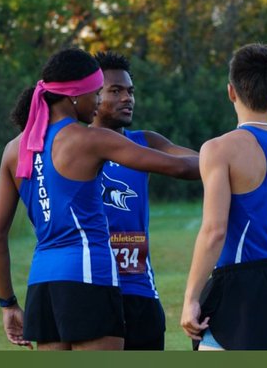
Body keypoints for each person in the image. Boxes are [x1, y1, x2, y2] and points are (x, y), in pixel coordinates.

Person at [0, 47, 200, 350]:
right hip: (89, 275)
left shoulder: (14, 149)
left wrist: (7, 303)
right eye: (96, 93)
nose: (98, 101)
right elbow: (179, 165)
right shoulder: (89, 140)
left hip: (42, 286)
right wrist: (236, 158)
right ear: (75, 95)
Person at [181, 42, 267, 351]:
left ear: (231, 91)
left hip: (237, 287)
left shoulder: (219, 148)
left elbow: (214, 231)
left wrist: (190, 298)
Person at [90, 51, 198, 350]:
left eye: (130, 91)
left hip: (140, 293)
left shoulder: (145, 141)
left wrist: (246, 157)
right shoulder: (72, 145)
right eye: (115, 90)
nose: (128, 98)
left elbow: (196, 162)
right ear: (92, 96)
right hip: (91, 287)